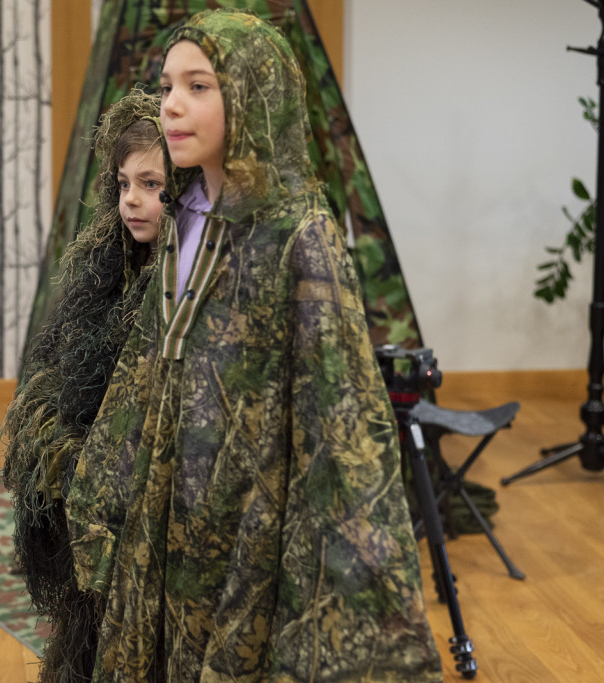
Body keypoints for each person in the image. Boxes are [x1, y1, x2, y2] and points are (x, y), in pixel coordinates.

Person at [64, 10, 444, 681]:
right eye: (167, 84)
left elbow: (340, 415)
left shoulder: (300, 234)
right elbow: (148, 365)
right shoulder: (185, 216)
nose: (172, 105)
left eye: (199, 86)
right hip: (168, 507)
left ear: (253, 93)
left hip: (250, 528)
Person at [2, 89, 170, 681]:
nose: (132, 201)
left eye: (153, 185)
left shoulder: (186, 282)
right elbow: (57, 363)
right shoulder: (105, 264)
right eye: (124, 183)